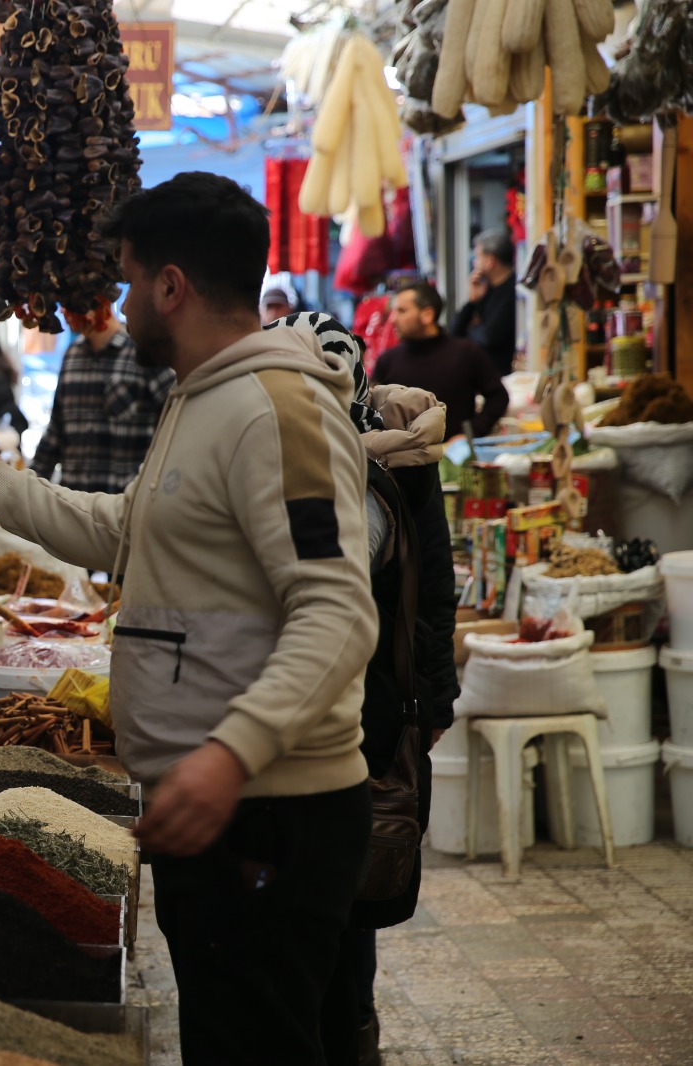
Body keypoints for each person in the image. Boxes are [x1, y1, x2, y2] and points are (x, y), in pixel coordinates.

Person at [0, 172, 377, 1064]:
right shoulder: (200, 397)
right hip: (216, 804)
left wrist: (228, 756)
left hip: (270, 813)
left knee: (258, 1045)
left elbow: (335, 609)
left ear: (171, 286)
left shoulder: (276, 408)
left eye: (130, 278)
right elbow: (122, 528)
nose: (121, 300)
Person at [273, 316, 459, 1066]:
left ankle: (349, 1036)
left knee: (344, 895)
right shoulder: (279, 445)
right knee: (306, 891)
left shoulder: (403, 456)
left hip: (371, 703)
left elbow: (433, 585)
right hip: (291, 700)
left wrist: (434, 700)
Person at [30, 317, 173, 492]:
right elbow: (56, 432)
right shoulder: (72, 354)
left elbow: (177, 422)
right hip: (73, 504)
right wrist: (28, 489)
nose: (64, 312)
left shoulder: (143, 354)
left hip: (123, 505)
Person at [374, 281, 509, 439]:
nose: (392, 320)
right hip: (401, 459)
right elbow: (371, 412)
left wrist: (469, 434)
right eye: (393, 312)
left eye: (401, 311)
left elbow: (498, 397)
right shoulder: (388, 361)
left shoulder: (465, 352)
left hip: (453, 457)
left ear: (427, 315)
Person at [450, 230, 518, 375]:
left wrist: (472, 328)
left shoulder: (512, 291)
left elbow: (489, 337)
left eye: (477, 257)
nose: (474, 262)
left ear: (490, 261)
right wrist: (472, 301)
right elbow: (455, 333)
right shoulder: (486, 289)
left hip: (500, 375)